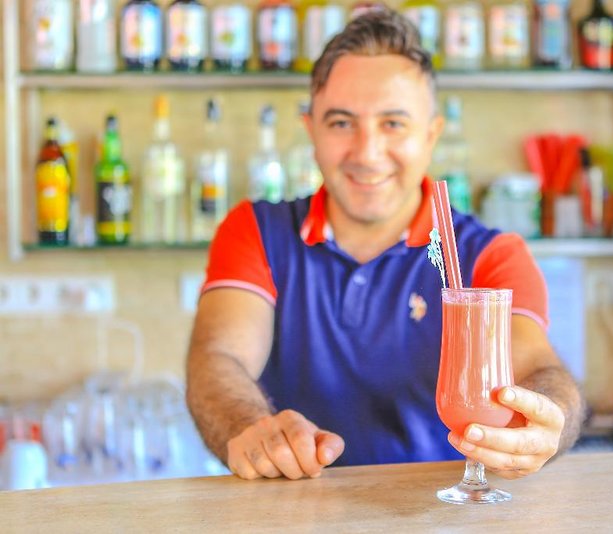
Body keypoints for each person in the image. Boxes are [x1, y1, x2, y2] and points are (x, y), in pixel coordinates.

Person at [186, 9, 584, 482]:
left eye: (393, 123)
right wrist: (251, 428)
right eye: (341, 123)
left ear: (431, 135)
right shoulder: (255, 230)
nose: (367, 152)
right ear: (311, 131)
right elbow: (219, 358)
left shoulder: (490, 254)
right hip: (295, 506)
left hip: (441, 510)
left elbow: (538, 368)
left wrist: (548, 418)